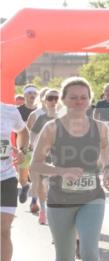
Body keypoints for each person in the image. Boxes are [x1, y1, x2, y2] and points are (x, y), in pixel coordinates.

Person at [29, 78, 109, 261]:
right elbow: (35, 164)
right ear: (64, 100)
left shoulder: (100, 128)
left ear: (90, 100)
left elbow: (105, 153)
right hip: (59, 200)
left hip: (92, 197)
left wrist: (108, 171)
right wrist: (61, 171)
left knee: (89, 251)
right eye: (73, 97)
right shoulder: (52, 128)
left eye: (83, 97)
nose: (79, 101)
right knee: (65, 257)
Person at [1, 98, 28, 261]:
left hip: (6, 177)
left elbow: (23, 132)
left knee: (3, 230)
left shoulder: (9, 111)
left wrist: (22, 150)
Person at [25, 88, 60, 224]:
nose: (54, 101)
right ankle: (44, 210)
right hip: (43, 156)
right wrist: (33, 147)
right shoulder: (41, 118)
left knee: (55, 187)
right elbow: (32, 134)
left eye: (56, 98)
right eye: (50, 98)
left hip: (61, 157)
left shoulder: (65, 116)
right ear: (45, 101)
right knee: (43, 185)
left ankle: (55, 215)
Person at [15, 85, 38, 205]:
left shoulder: (39, 111)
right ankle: (25, 186)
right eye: (29, 93)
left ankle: (34, 201)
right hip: (21, 147)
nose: (32, 95)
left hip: (37, 146)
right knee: (22, 176)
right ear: (24, 95)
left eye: (34, 93)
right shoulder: (17, 111)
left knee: (36, 173)